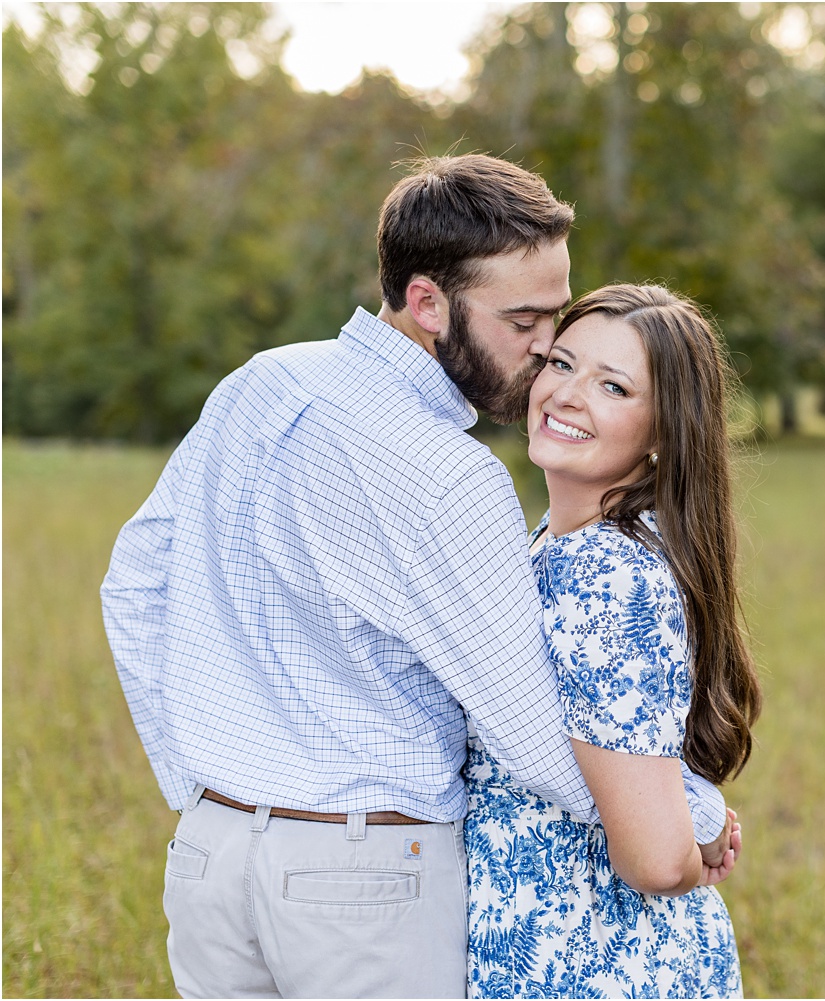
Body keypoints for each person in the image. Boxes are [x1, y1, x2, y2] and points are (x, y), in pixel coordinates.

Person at [100, 156, 735, 999]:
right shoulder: (450, 475)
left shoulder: (262, 381)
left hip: (210, 860)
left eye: (557, 312)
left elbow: (134, 585)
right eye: (525, 320)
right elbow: (529, 729)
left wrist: (194, 784)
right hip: (366, 882)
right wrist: (693, 812)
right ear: (429, 302)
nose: (547, 345)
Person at [466, 284, 761, 998]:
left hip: (592, 961)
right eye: (562, 364)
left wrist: (693, 852)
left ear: (663, 430)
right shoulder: (566, 543)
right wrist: (699, 809)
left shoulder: (604, 572)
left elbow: (658, 860)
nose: (568, 395)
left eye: (613, 386)